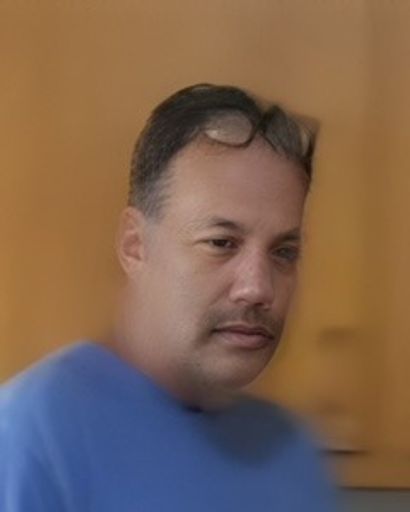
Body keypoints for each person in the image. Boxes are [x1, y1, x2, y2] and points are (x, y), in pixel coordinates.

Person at [0, 84, 336, 510]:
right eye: (221, 243)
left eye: (284, 252)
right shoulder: (33, 437)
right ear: (135, 245)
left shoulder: (291, 452)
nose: (258, 288)